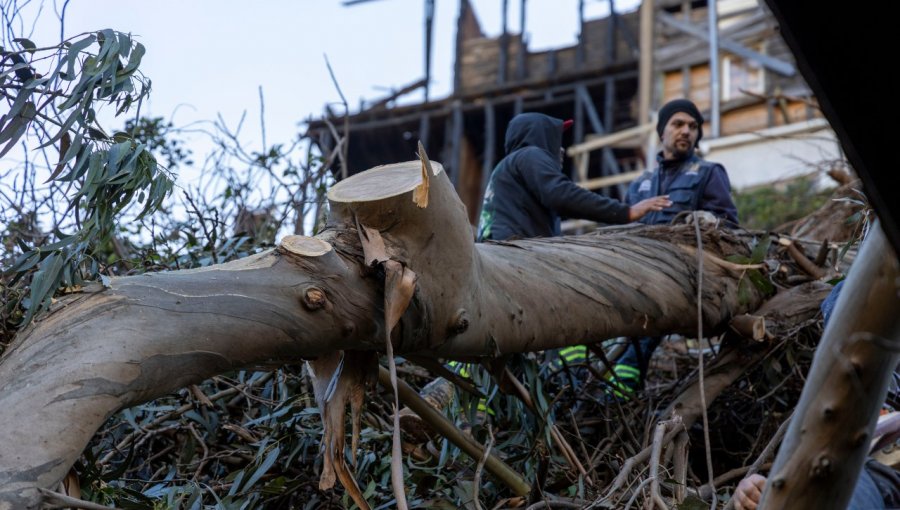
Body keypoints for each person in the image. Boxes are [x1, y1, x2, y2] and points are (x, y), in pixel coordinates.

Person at [608, 99, 739, 398]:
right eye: (678, 124)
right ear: (661, 132)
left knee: (637, 339)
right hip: (638, 275)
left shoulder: (708, 173)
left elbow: (732, 227)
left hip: (684, 278)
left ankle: (615, 398)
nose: (687, 132)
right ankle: (608, 395)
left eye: (693, 127)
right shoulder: (640, 184)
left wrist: (708, 221)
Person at [477, 112, 671, 242]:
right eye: (555, 140)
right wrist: (625, 212)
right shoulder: (530, 154)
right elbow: (562, 195)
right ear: (539, 137)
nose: (561, 149)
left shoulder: (507, 169)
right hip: (514, 255)